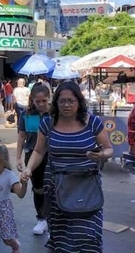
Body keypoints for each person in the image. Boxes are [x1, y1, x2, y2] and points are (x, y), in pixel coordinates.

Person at [21, 81, 114, 252]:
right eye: (62, 101)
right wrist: (29, 168)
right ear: (55, 103)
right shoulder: (48, 123)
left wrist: (101, 155)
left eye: (71, 101)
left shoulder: (93, 122)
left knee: (88, 235)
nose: (66, 105)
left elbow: (109, 149)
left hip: (87, 189)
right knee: (63, 240)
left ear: (79, 101)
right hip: (58, 189)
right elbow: (39, 151)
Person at [16, 83, 51, 236]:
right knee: (38, 188)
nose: (42, 104)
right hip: (33, 155)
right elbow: (21, 136)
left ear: (49, 99)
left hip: (52, 154)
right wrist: (18, 157)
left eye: (44, 101)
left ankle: (53, 221)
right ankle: (41, 218)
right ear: (32, 100)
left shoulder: (56, 114)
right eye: (38, 101)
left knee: (54, 188)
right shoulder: (26, 114)